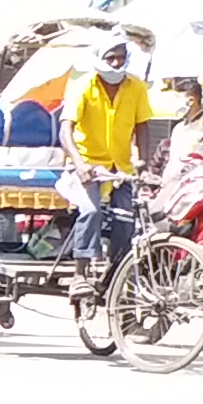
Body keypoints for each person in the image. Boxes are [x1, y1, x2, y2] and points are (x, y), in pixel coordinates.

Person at [58, 31, 146, 260]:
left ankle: (115, 273)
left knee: (127, 219)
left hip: (121, 168)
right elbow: (65, 129)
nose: (117, 63)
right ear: (100, 58)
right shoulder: (84, 85)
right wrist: (79, 164)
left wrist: (142, 162)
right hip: (88, 165)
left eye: (121, 56)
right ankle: (80, 273)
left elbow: (142, 125)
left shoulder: (136, 85)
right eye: (111, 58)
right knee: (91, 211)